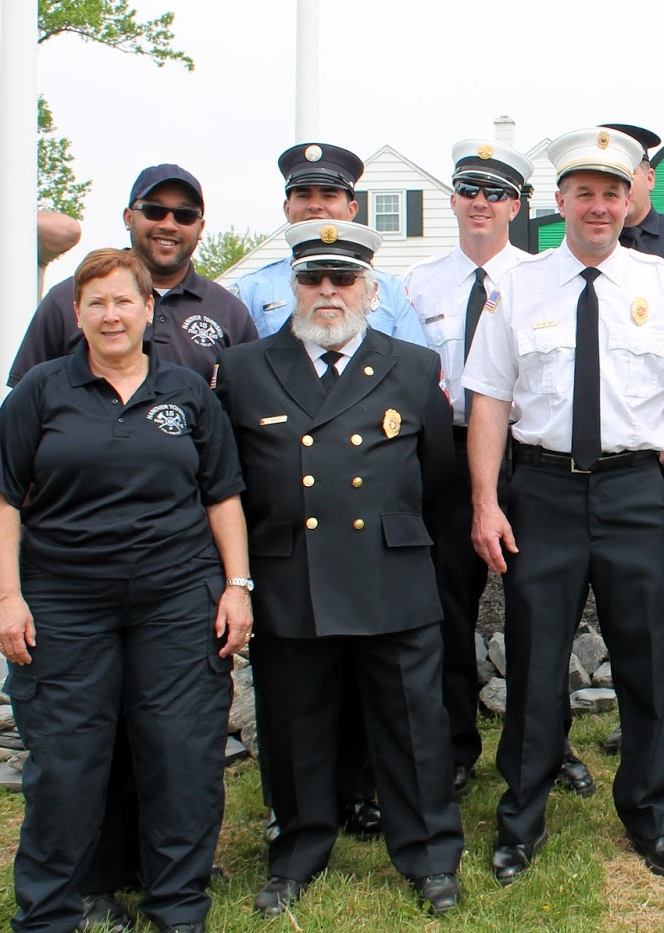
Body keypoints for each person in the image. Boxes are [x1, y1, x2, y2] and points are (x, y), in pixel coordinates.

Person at [462, 127, 664, 883]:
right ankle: (522, 816)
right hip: (541, 490)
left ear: (628, 199)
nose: (599, 206)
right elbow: (488, 402)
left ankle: (649, 815)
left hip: (632, 492)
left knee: (644, 661)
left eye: (612, 192)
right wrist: (486, 502)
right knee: (535, 659)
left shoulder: (658, 283)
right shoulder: (517, 286)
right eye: (585, 192)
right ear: (560, 201)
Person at [4, 164, 254, 927]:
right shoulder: (42, 392)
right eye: (96, 302)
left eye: (126, 301)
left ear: (150, 309)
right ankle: (49, 910)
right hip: (64, 598)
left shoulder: (186, 394)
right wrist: (7, 595)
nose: (112, 315)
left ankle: (178, 904)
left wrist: (237, 586)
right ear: (74, 310)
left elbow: (223, 495)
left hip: (176, 596)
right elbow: (1, 498)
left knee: (182, 755)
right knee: (68, 760)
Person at [214, 220, 464, 917]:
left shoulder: (413, 365)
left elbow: (435, 475)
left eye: (343, 278)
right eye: (312, 278)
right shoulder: (243, 369)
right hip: (293, 572)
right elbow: (228, 479)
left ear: (370, 287)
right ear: (292, 286)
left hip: (391, 572)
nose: (328, 291)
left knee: (415, 726)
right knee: (296, 728)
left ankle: (431, 858)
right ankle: (296, 852)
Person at [401, 138, 608, 800]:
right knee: (447, 607)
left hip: (532, 459)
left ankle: (551, 740)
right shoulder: (417, 285)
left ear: (517, 204)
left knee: (545, 610)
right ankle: (457, 743)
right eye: (469, 190)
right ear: (453, 199)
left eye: (495, 193)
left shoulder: (544, 277)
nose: (481, 204)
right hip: (447, 460)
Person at [595, 122, 664, 760]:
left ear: (648, 177)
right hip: (631, 443)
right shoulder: (582, 247)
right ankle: (640, 717)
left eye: (630, 169)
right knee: (644, 591)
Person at [9, 164, 258, 385]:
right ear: (129, 217)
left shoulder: (230, 312)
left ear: (200, 227)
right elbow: (27, 403)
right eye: (154, 211)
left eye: (185, 215)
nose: (169, 225)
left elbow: (245, 409)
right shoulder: (69, 298)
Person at [0, 174, 81, 605]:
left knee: (11, 489)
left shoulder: (15, 236)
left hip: (1, 387)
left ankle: (4, 587)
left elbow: (69, 230)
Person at [231, 143, 426, 345]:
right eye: (303, 195)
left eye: (328, 195)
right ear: (287, 208)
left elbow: (411, 368)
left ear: (352, 209)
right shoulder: (250, 290)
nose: (314, 205)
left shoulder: (390, 291)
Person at [605, 124, 664, 262]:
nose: (619, 187)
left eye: (629, 174)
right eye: (610, 177)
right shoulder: (592, 241)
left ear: (650, 179)